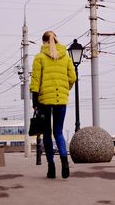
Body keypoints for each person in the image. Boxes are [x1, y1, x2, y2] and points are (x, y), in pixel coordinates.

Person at [30, 31, 76, 179]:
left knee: (47, 134)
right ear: (56, 40)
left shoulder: (39, 57)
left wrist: (35, 102)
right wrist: (65, 89)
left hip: (44, 101)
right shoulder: (66, 57)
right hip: (61, 100)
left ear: (43, 42)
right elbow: (73, 77)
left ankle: (51, 168)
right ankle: (64, 162)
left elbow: (35, 81)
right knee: (59, 132)